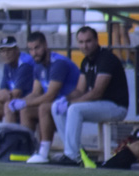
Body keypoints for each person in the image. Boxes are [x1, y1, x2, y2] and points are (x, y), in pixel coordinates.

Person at [50, 26, 130, 166]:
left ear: (96, 41)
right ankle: (76, 152)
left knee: (74, 109)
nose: (84, 46)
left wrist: (71, 104)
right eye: (81, 42)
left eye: (88, 41)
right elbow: (80, 90)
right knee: (55, 107)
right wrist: (65, 99)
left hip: (116, 107)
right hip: (100, 105)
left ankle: (72, 156)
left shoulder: (106, 59)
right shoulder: (86, 62)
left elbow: (97, 92)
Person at [22, 32, 83, 163]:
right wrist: (21, 101)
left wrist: (25, 102)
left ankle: (44, 153)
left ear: (45, 45)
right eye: (30, 49)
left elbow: (50, 96)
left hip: (71, 102)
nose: (34, 53)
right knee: (26, 110)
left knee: (43, 107)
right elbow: (35, 92)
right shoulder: (38, 66)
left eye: (37, 48)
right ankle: (27, 149)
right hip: (56, 104)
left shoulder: (58, 63)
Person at [0, 36, 36, 126]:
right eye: (3, 51)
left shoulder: (25, 64)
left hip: (30, 99)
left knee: (8, 105)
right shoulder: (7, 65)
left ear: (17, 50)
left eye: (9, 50)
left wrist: (1, 95)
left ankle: (11, 138)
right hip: (17, 99)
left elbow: (15, 94)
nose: (6, 54)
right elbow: (2, 90)